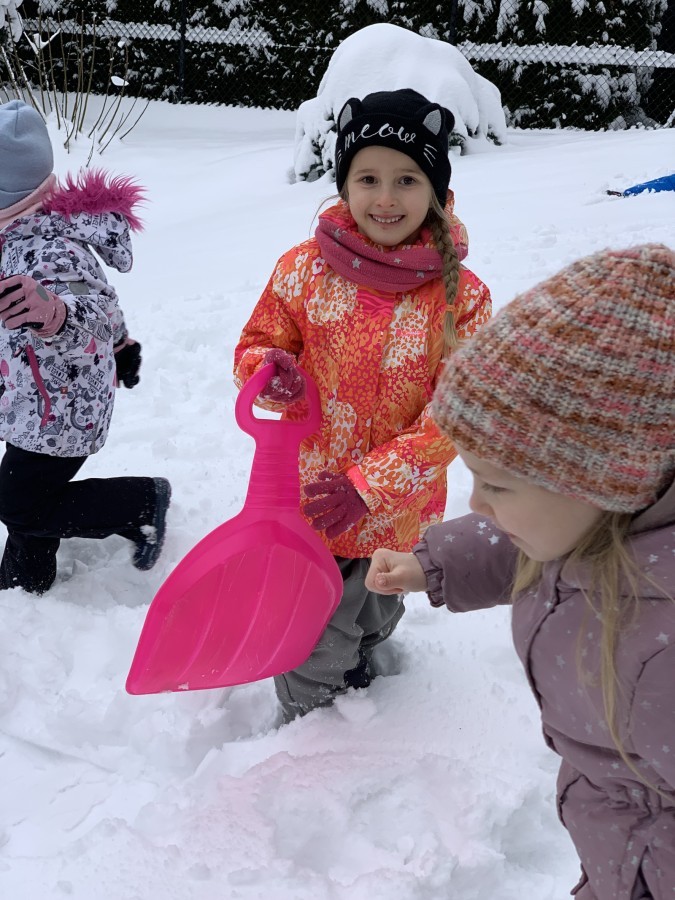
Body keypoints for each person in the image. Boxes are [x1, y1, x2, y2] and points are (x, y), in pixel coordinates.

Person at [366, 244, 675, 900]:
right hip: (614, 834)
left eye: (498, 486)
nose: (476, 503)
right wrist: (432, 563)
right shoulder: (592, 524)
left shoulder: (665, 650)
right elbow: (522, 546)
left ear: (603, 480)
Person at [234, 88, 492, 722]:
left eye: (407, 179)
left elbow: (458, 413)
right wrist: (270, 374)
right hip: (312, 495)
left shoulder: (461, 297)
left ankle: (363, 658)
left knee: (376, 610)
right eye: (368, 178)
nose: (385, 198)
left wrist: (370, 485)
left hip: (396, 510)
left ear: (435, 190)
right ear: (344, 185)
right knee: (313, 633)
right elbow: (258, 342)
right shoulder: (303, 270)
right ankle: (312, 728)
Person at [0, 99, 171, 594]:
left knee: (19, 502)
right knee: (30, 490)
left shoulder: (50, 248)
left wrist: (56, 314)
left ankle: (141, 504)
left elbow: (91, 309)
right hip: (31, 399)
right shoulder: (18, 235)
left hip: (64, 407)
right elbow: (108, 307)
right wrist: (122, 345)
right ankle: (26, 580)